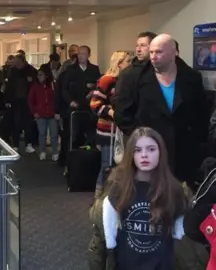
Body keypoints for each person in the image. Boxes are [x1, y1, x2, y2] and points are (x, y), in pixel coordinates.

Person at [114, 34, 210, 189]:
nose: (153, 57)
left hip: (184, 153)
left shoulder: (192, 78)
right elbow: (122, 113)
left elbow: (201, 113)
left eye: (158, 52)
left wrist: (197, 141)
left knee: (182, 199)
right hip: (148, 151)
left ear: (174, 53)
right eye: (151, 52)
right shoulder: (133, 77)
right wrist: (140, 138)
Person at [100, 127, 187, 269]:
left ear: (161, 153)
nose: (144, 155)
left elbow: (180, 235)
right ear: (130, 154)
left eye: (151, 149)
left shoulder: (174, 190)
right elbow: (106, 235)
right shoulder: (120, 188)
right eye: (137, 150)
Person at [90, 51, 131, 198]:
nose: (130, 64)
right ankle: (100, 197)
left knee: (119, 164)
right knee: (107, 165)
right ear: (119, 63)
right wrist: (112, 112)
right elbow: (94, 103)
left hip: (121, 130)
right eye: (127, 61)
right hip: (108, 129)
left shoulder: (126, 80)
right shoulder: (107, 80)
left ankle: (115, 196)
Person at [28, 69, 59, 161]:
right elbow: (30, 101)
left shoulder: (52, 86)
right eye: (38, 75)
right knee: (42, 134)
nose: (39, 77)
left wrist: (57, 111)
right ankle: (43, 152)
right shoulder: (35, 87)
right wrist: (34, 112)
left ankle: (55, 152)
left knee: (54, 134)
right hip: (40, 114)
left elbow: (56, 99)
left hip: (52, 113)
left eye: (41, 75)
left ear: (46, 76)